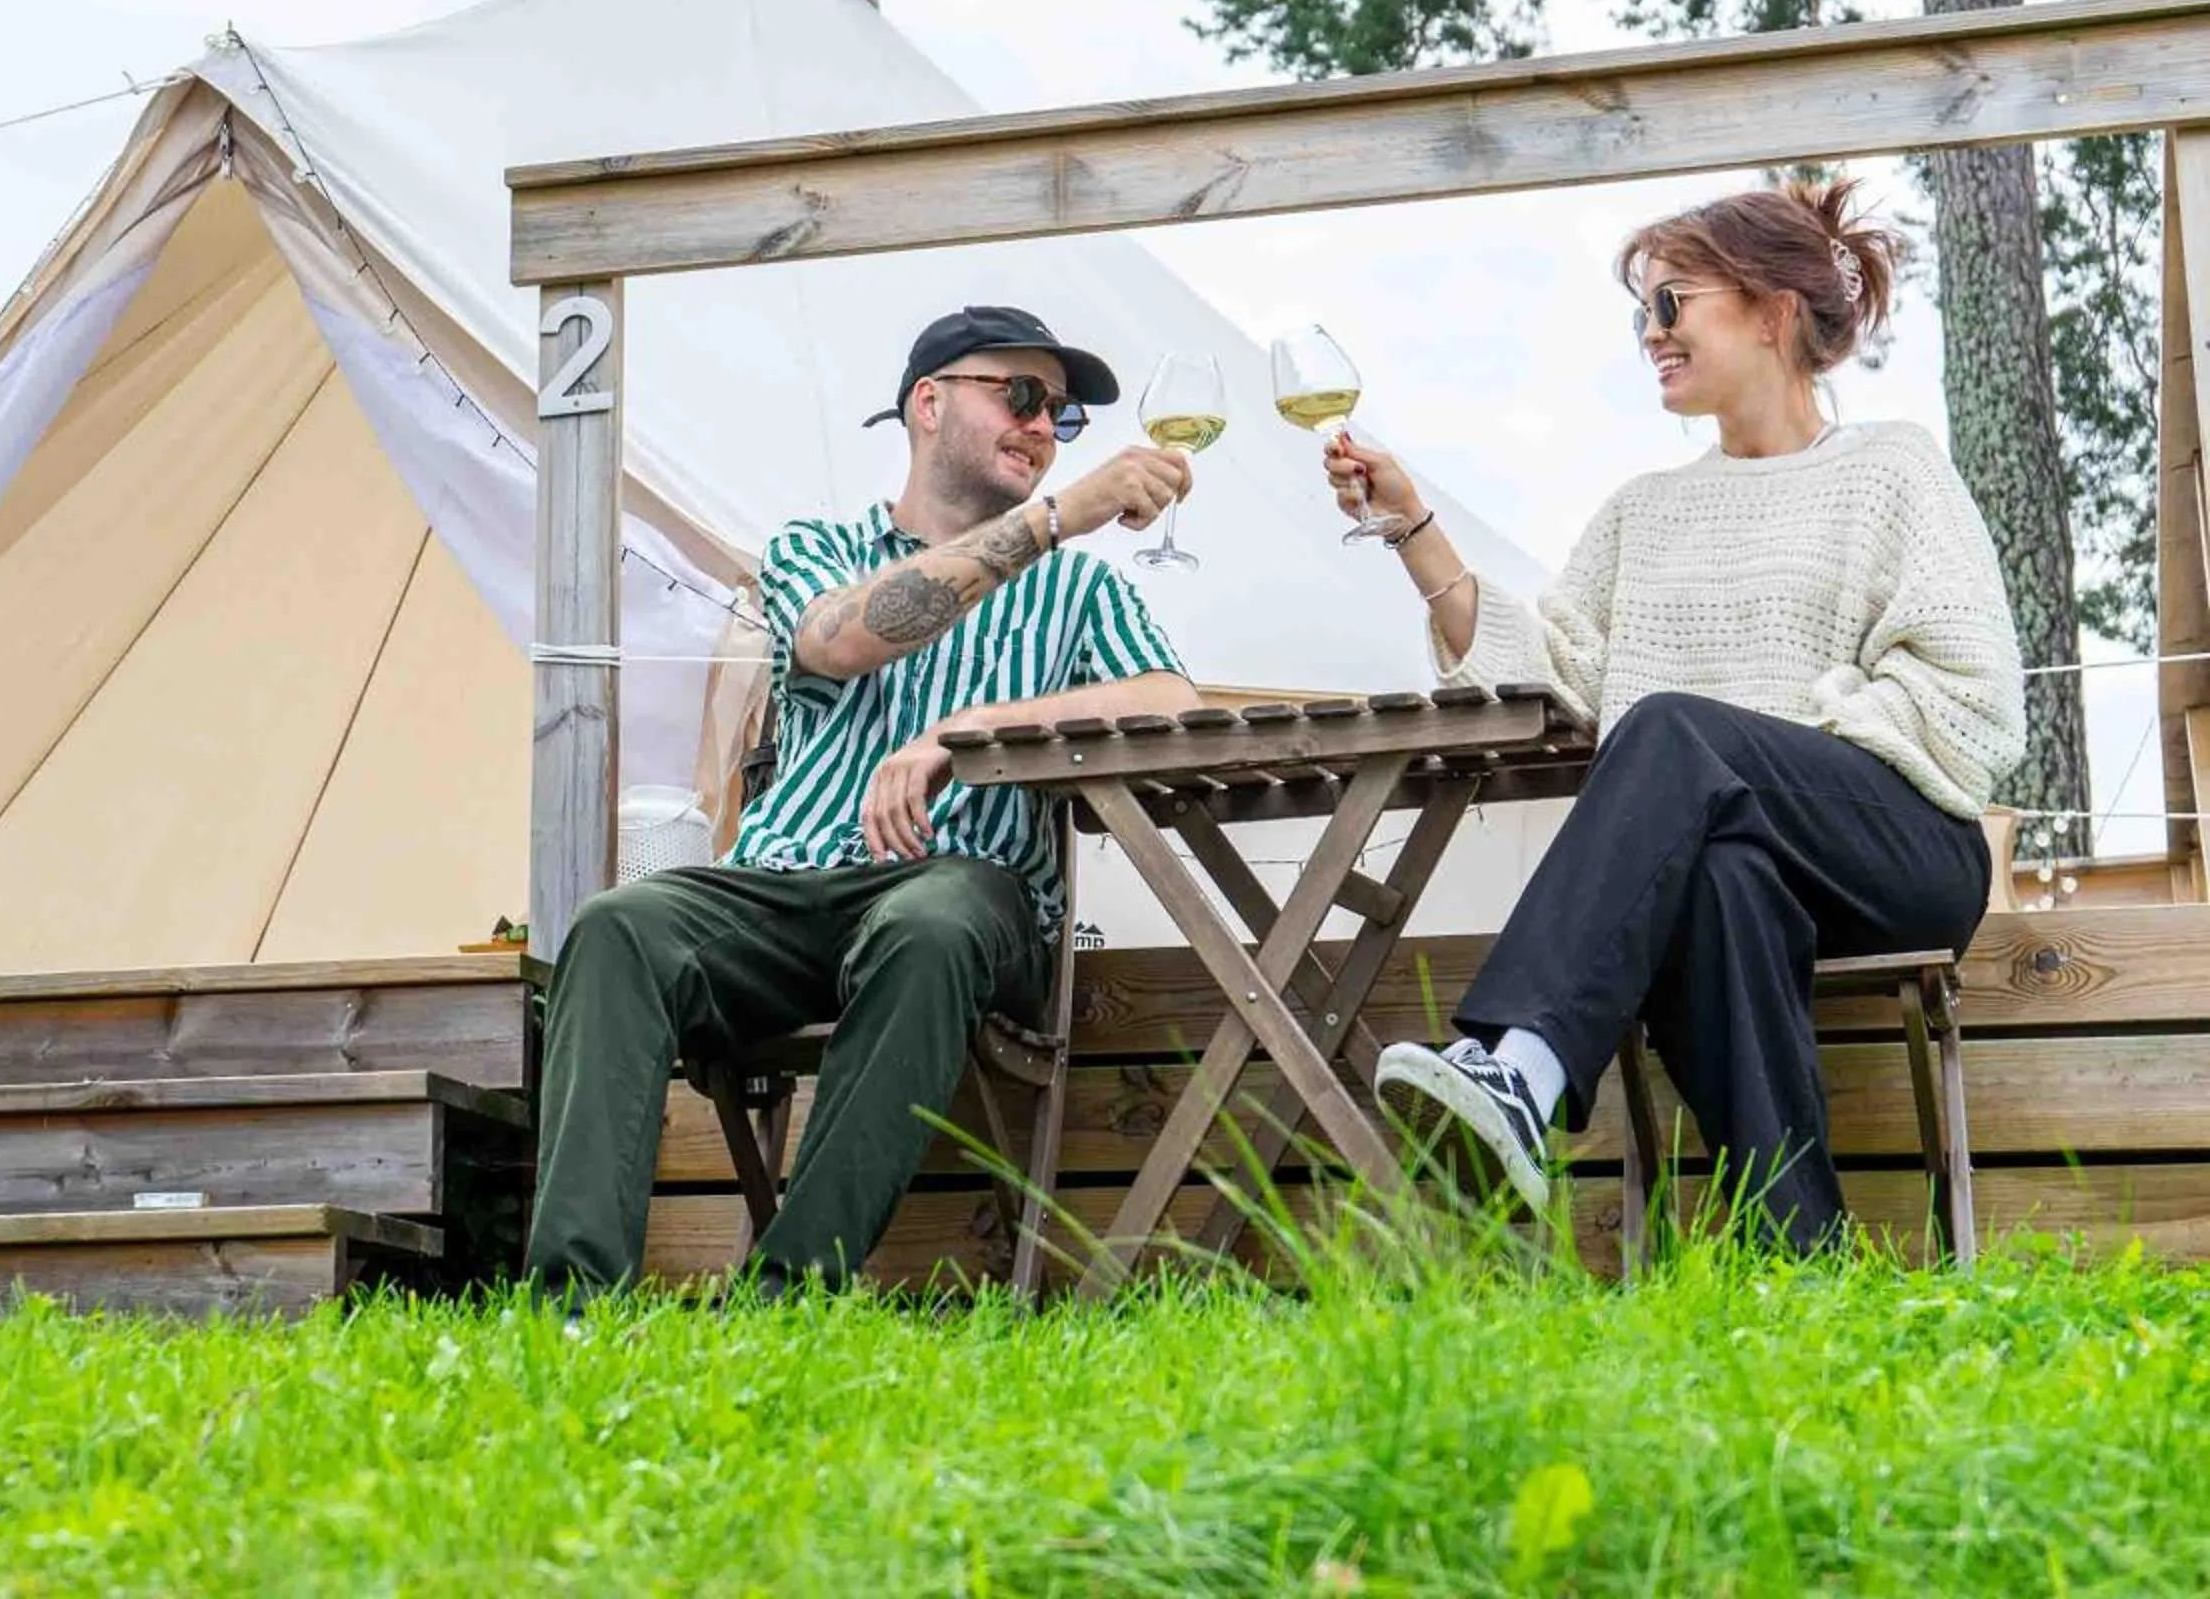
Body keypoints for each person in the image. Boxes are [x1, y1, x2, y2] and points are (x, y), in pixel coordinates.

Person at [1337, 178, 2025, 1249]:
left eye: (1672, 303)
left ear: (1772, 308)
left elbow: (1972, 700)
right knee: (1719, 874)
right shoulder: (1642, 513)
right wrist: (1413, 525)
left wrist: (1758, 750)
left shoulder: (1892, 469)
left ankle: (1522, 1065)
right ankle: (1800, 1257)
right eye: (1639, 313)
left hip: (1899, 845)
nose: (1650, 333)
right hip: (1749, 852)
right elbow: (1552, 666)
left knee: (1673, 733)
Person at [525, 305, 1203, 1296]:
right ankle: (571, 1305)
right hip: (782, 881)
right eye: (1021, 394)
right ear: (929, 403)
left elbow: (1171, 700)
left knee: (927, 926)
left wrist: (965, 731)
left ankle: (790, 1296)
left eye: (1061, 414)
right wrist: (1058, 514)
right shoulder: (820, 547)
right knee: (618, 924)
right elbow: (846, 636)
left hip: (966, 889)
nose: (1045, 426)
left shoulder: (1083, 595)